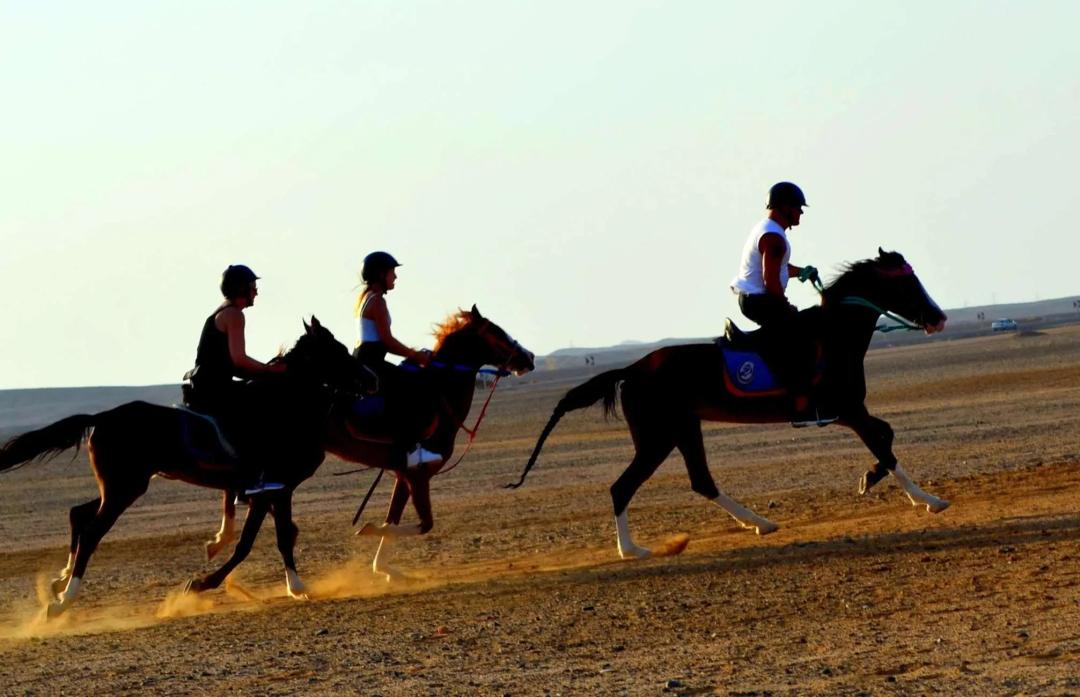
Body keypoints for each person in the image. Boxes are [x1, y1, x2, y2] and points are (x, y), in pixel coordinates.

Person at [730, 182, 836, 427]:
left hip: (756, 299)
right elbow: (770, 282)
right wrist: (785, 306)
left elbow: (778, 268)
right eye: (798, 208)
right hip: (761, 301)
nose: (801, 213)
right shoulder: (774, 238)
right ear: (784, 207)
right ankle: (801, 408)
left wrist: (801, 272)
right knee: (803, 338)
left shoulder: (767, 230)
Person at [184, 264, 288, 494]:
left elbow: (234, 364)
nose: (256, 292)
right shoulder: (234, 315)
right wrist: (271, 371)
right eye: (253, 287)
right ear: (241, 288)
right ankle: (253, 479)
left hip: (207, 384)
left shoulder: (222, 312)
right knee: (261, 414)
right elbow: (239, 360)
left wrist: (263, 369)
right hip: (215, 388)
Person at [353, 251, 442, 468]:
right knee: (410, 388)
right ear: (380, 274)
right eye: (392, 272)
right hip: (372, 362)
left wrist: (413, 354)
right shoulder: (377, 302)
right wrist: (415, 355)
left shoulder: (366, 298)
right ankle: (410, 450)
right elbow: (387, 342)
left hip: (365, 359)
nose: (395, 277)